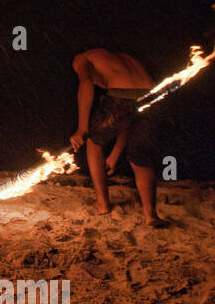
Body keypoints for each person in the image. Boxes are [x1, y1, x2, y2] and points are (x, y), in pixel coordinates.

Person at [69, 48, 167, 227]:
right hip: (154, 97)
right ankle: (150, 215)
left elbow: (86, 84)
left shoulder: (82, 58)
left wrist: (82, 128)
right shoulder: (125, 58)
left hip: (122, 98)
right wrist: (114, 155)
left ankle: (102, 203)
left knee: (93, 142)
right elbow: (127, 120)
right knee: (140, 158)